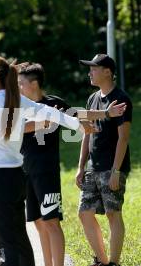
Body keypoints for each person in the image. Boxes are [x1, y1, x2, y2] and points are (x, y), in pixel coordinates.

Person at [0, 56, 96, 266]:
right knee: (19, 234)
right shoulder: (17, 100)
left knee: (3, 238)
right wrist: (77, 125)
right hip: (16, 176)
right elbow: (50, 112)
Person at [17, 62, 126, 266]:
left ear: (33, 84)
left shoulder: (53, 103)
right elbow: (14, 128)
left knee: (51, 222)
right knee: (39, 223)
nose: (18, 87)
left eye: (20, 83)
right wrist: (44, 122)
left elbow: (80, 114)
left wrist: (106, 114)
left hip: (46, 171)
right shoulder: (21, 106)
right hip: (25, 171)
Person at [77, 54, 132, 266]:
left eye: (94, 68)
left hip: (112, 167)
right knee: (84, 213)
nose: (90, 72)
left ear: (107, 72)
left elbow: (124, 137)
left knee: (112, 213)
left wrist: (116, 171)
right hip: (93, 167)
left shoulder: (121, 99)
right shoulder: (93, 99)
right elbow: (86, 133)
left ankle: (114, 263)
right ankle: (101, 260)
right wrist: (81, 166)